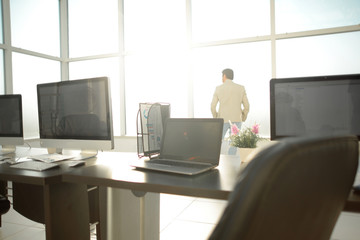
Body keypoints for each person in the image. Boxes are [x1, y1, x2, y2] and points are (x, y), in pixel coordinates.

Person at [211, 68, 250, 155]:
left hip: (222, 119)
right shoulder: (241, 88)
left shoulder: (218, 88)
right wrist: (243, 117)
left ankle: (214, 159)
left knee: (217, 142)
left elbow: (212, 106)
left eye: (222, 76)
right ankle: (231, 161)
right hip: (237, 119)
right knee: (234, 144)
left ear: (224, 76)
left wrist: (216, 117)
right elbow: (247, 106)